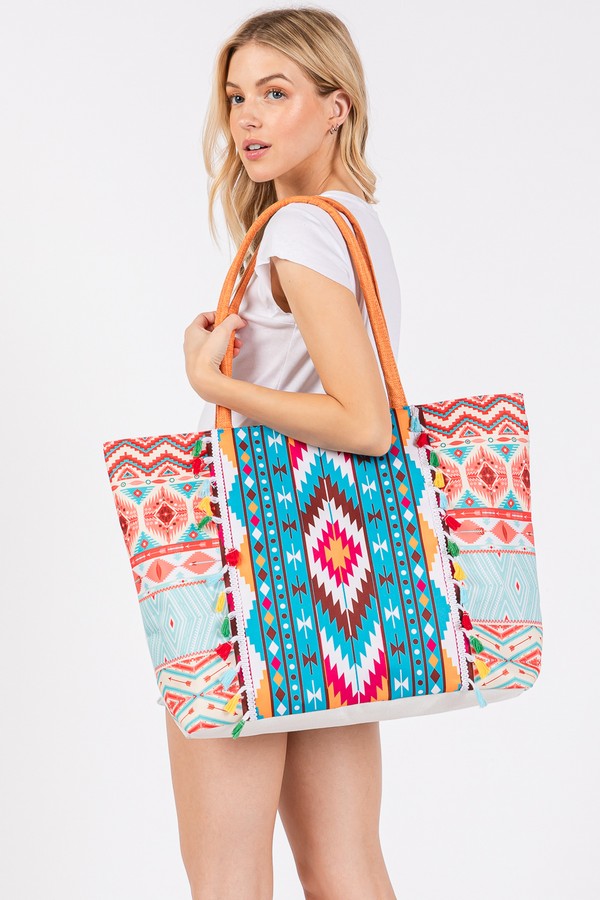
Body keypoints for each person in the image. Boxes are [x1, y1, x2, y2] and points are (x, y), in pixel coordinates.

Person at [171, 7, 401, 899]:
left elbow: (364, 422)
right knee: (346, 864)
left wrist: (213, 382)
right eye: (237, 98)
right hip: (336, 581)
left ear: (337, 105)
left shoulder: (298, 231)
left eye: (276, 93)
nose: (248, 119)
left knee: (226, 874)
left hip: (253, 570)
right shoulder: (354, 221)